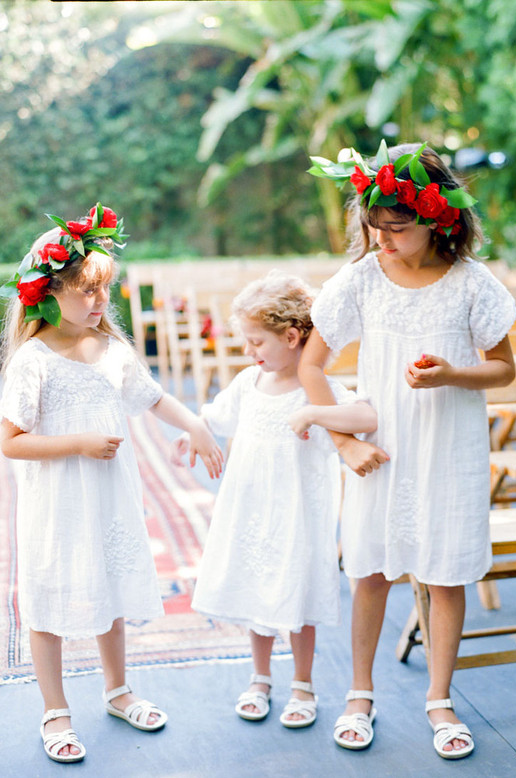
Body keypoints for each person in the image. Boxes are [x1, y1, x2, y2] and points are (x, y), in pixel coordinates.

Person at [301, 142, 516, 759]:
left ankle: (440, 697)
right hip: (381, 447)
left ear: (438, 220)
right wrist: (343, 442)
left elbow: (501, 370)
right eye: (375, 227)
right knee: (370, 572)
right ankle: (359, 692)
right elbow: (314, 365)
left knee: (445, 574)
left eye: (398, 228)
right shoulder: (362, 280)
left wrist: (452, 374)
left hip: (450, 447)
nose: (384, 239)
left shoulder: (472, 283)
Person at [0, 204, 223, 764]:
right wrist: (76, 443)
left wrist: (194, 423)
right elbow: (11, 440)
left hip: (109, 497)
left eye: (105, 291)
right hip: (56, 500)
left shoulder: (114, 351)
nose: (100, 303)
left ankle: (118, 689)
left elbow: (153, 398)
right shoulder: (33, 360)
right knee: (48, 599)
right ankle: (55, 709)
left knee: (111, 591)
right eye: (87, 292)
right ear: (49, 292)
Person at [172, 271, 377, 729]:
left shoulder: (318, 390)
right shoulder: (249, 384)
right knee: (256, 589)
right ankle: (260, 676)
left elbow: (365, 414)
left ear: (292, 336)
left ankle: (303, 683)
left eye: (256, 342)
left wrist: (315, 412)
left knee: (297, 598)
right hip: (251, 510)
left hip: (298, 516)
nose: (249, 352)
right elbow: (212, 415)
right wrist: (193, 432)